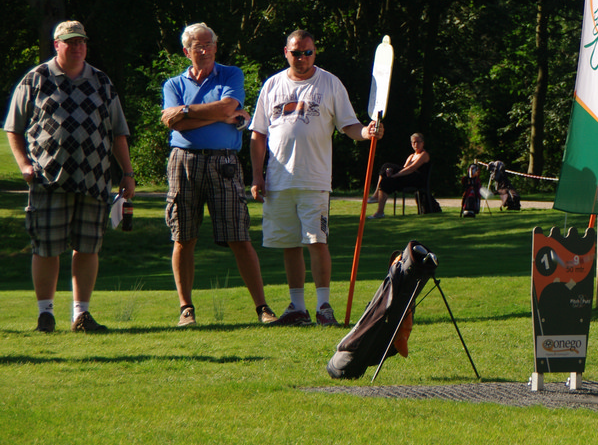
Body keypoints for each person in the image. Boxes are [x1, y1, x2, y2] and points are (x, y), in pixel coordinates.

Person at [4, 20, 135, 333]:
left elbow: (118, 132)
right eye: (71, 42)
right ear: (57, 45)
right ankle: (45, 314)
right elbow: (13, 128)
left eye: (81, 42)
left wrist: (127, 173)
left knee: (88, 247)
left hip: (94, 180)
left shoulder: (101, 81)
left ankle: (81, 315)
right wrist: (24, 165)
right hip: (48, 180)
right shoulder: (36, 79)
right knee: (46, 247)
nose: (77, 47)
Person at [250, 30, 382, 326]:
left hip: (314, 179)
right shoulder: (272, 84)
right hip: (278, 180)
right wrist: (257, 176)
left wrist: (366, 132)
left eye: (308, 52)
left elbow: (349, 125)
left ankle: (324, 306)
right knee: (289, 244)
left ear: (315, 52)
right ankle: (298, 307)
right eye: (296, 53)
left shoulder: (330, 83)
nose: (302, 58)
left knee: (316, 240)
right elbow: (258, 134)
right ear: (286, 52)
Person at [161, 23, 278, 327]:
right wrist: (217, 117)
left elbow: (228, 106)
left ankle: (262, 307)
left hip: (224, 161)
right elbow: (173, 123)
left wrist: (186, 112)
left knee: (239, 235)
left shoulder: (231, 75)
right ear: (186, 51)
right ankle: (186, 308)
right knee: (183, 236)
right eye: (198, 46)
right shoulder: (173, 84)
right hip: (183, 162)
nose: (206, 50)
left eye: (210, 44)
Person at [370, 133, 430, 218]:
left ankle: (376, 195)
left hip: (417, 179)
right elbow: (404, 168)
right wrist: (392, 176)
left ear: (423, 143)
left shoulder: (424, 155)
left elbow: (411, 168)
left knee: (386, 165)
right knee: (385, 181)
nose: (416, 144)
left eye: (418, 142)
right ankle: (380, 212)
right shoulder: (411, 156)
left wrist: (395, 175)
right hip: (407, 178)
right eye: (413, 142)